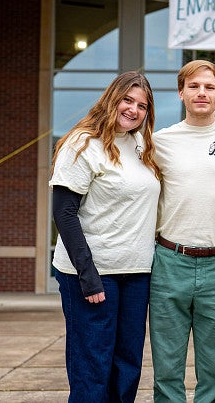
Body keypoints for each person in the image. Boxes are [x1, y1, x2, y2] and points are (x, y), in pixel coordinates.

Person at [49, 71, 161, 402]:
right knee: (92, 367)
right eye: (127, 100)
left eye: (142, 105)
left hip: (136, 273)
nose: (133, 110)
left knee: (127, 365)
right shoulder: (82, 143)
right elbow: (64, 213)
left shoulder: (141, 146)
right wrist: (88, 276)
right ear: (111, 98)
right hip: (94, 273)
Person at [149, 59, 215, 403]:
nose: (201, 93)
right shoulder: (159, 142)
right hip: (168, 261)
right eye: (193, 86)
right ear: (181, 93)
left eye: (209, 87)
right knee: (166, 369)